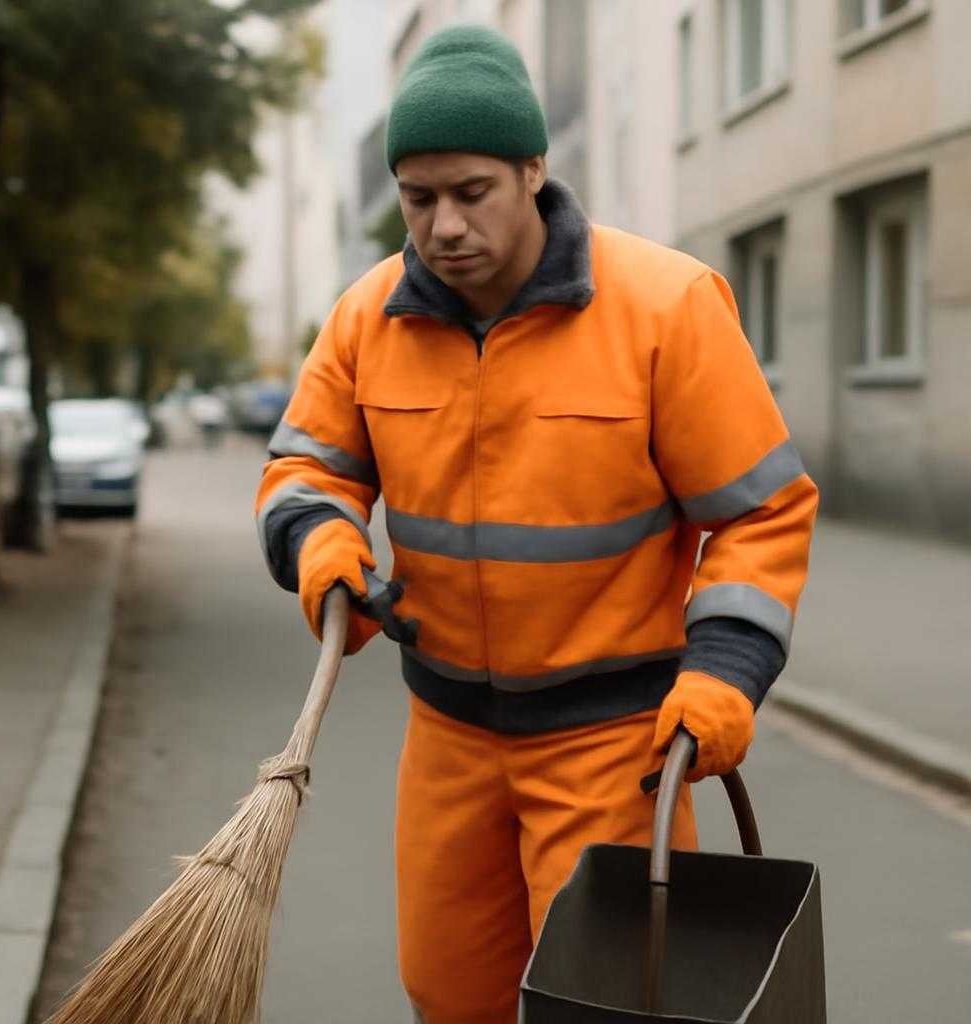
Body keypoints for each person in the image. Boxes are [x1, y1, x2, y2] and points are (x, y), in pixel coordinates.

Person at [255, 24, 818, 1024]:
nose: (442, 226)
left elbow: (762, 510)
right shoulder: (365, 318)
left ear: (532, 171)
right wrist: (322, 546)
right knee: (446, 992)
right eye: (417, 198)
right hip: (448, 741)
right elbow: (305, 466)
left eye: (470, 193)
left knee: (606, 1005)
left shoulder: (665, 308)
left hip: (614, 746)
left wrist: (724, 674)